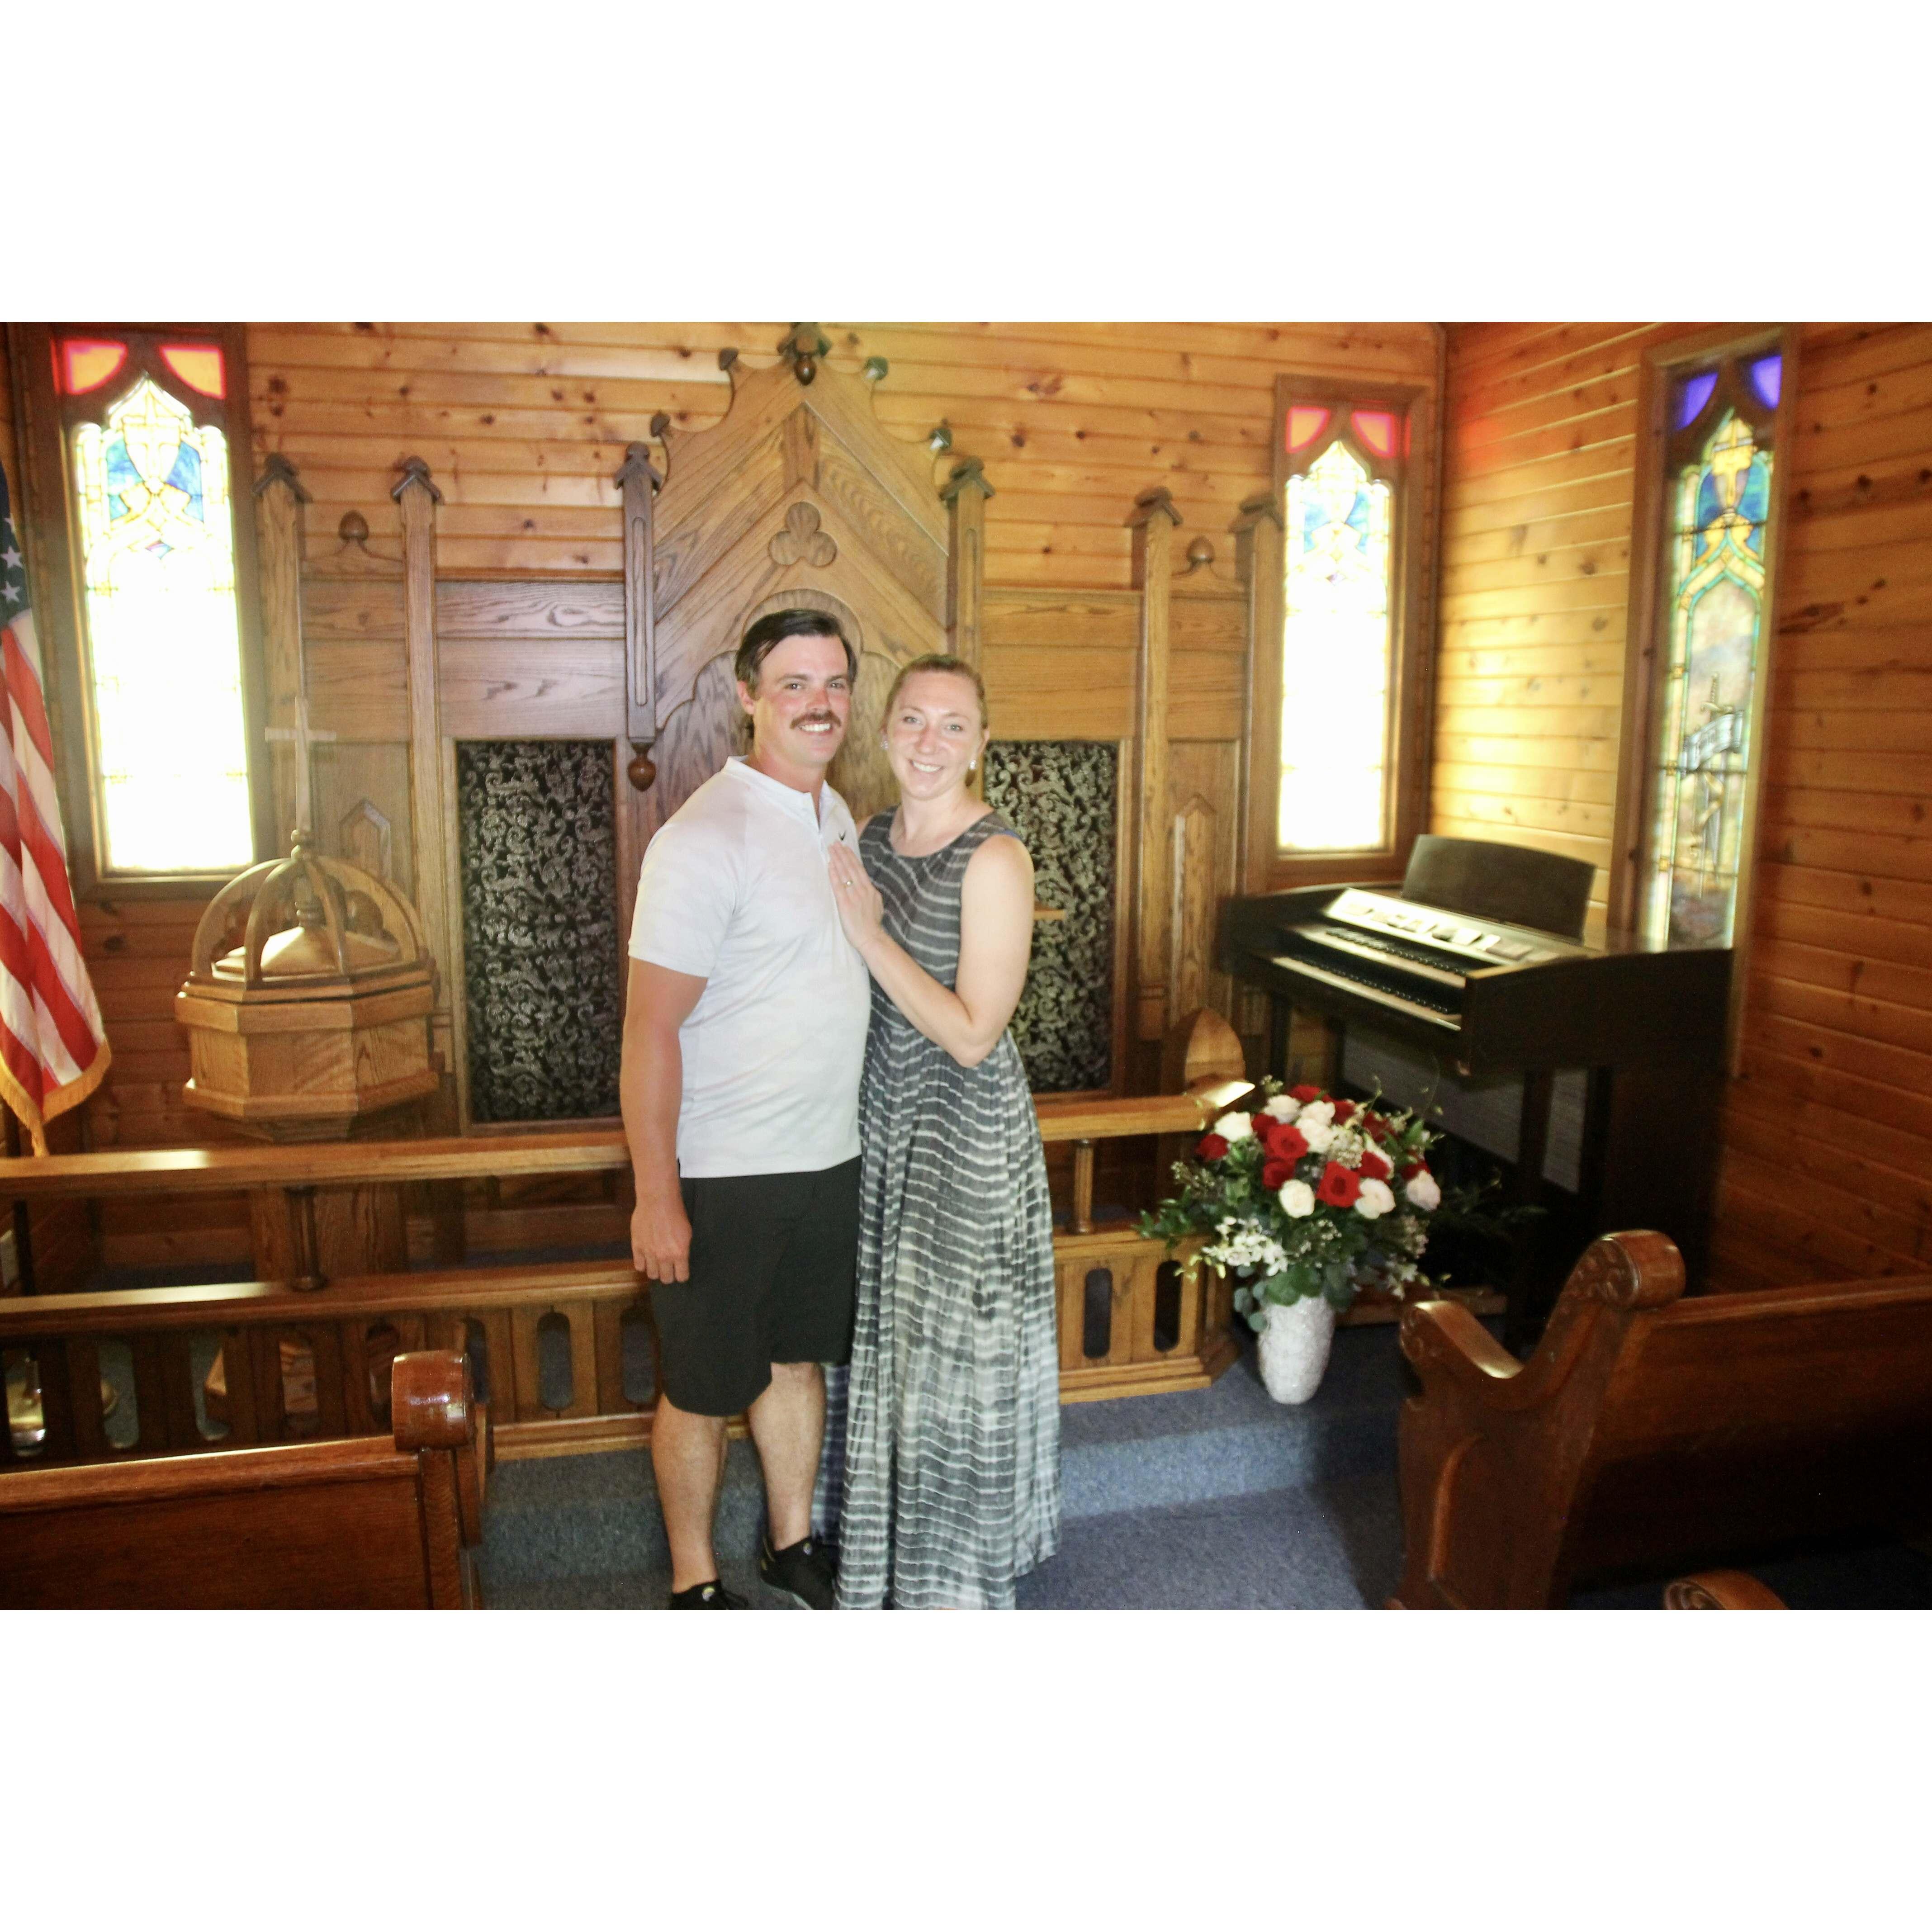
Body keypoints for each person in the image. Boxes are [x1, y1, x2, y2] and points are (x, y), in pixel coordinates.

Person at [620, 609, 870, 1609]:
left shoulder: (836, 813)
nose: (821, 703)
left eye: (837, 683)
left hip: (825, 1156)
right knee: (700, 1385)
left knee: (794, 1358)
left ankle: (791, 1541)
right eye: (797, 683)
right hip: (722, 1171)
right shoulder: (702, 838)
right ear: (748, 695)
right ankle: (695, 1578)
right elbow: (649, 1030)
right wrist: (656, 1195)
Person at [824, 653, 1061, 1609]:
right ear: (884, 732)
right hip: (881, 1118)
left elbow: (973, 1034)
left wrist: (872, 937)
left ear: (981, 745)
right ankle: (886, 1555)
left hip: (961, 1136)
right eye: (913, 720)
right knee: (889, 1340)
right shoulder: (869, 835)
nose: (930, 741)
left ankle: (952, 1578)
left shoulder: (997, 858)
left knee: (950, 1352)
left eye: (952, 725)